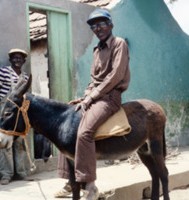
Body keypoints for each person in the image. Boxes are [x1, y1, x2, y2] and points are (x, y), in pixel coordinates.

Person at [55, 9, 130, 200]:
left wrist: (92, 97)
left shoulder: (119, 44)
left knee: (84, 133)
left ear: (111, 25)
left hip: (110, 97)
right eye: (94, 26)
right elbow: (94, 79)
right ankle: (70, 182)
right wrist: (85, 96)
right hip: (96, 96)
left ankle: (90, 184)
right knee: (67, 127)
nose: (98, 28)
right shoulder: (97, 49)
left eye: (102, 23)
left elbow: (115, 77)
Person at [0, 49, 34, 185]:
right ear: (10, 60)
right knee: (5, 142)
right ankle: (6, 175)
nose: (17, 60)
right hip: (5, 110)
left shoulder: (25, 77)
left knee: (20, 142)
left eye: (20, 58)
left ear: (24, 61)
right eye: (14, 58)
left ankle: (21, 173)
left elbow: (26, 98)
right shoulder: (3, 72)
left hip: (19, 112)